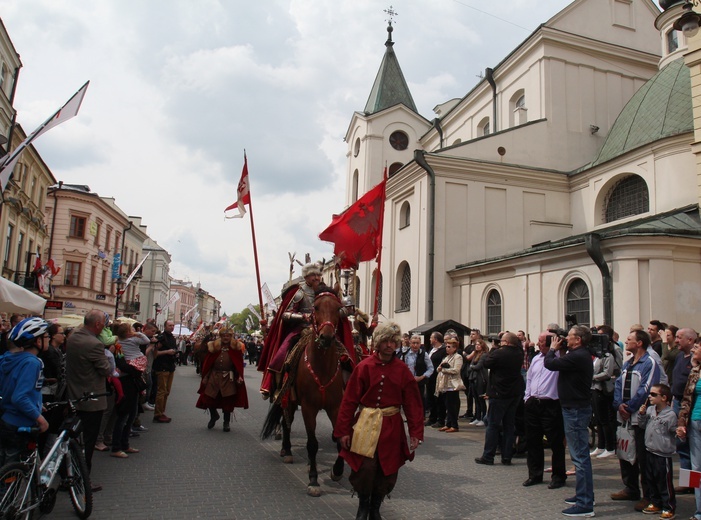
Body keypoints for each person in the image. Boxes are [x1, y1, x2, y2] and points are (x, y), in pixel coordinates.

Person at [334, 322, 423, 520]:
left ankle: (376, 508)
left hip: (391, 427)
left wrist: (416, 432)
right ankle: (363, 506)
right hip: (365, 424)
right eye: (385, 341)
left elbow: (413, 404)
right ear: (378, 342)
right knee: (365, 467)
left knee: (386, 469)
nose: (389, 345)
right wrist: (344, 431)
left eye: (393, 342)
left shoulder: (402, 370)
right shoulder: (363, 367)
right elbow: (349, 400)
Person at [258, 263, 354, 398]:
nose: (316, 277)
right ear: (306, 276)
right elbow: (286, 314)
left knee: (346, 354)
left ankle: (350, 386)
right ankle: (275, 385)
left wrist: (341, 312)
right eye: (313, 275)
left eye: (318, 275)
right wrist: (303, 316)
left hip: (323, 328)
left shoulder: (326, 292)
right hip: (302, 328)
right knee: (283, 352)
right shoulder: (299, 293)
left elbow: (340, 310)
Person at [544, 325, 595, 518]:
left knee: (580, 458)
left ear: (579, 340)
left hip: (575, 410)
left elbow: (550, 364)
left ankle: (585, 504)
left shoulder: (579, 355)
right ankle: (584, 495)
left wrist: (552, 349)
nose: (566, 339)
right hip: (574, 408)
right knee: (580, 456)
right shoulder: (578, 354)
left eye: (570, 336)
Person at [611, 329, 660, 513]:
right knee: (625, 451)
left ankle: (648, 494)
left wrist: (630, 406)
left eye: (630, 339)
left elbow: (647, 388)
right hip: (624, 416)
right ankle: (630, 488)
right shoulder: (627, 364)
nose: (626, 341)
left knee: (642, 456)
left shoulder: (649, 362)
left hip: (639, 417)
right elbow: (618, 384)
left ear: (639, 343)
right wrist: (618, 405)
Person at [65, 310, 113, 478]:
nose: (104, 328)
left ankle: (69, 474)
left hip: (74, 393)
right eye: (103, 325)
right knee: (89, 439)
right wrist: (109, 356)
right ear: (98, 324)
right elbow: (106, 370)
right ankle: (83, 477)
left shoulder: (73, 337)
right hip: (92, 398)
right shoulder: (94, 344)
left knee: (74, 438)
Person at [0, 317, 50, 466]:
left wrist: (36, 403)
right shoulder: (32, 362)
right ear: (38, 341)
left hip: (6, 419)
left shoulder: (9, 358)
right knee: (12, 473)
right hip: (20, 422)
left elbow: (10, 387)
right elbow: (19, 397)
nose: (48, 339)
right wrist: (41, 420)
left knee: (5, 464)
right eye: (46, 336)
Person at [522, 331, 566, 489]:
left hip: (551, 404)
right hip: (533, 403)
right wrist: (527, 398)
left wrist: (557, 348)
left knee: (556, 443)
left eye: (541, 341)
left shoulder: (559, 358)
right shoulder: (536, 359)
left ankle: (559, 476)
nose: (538, 343)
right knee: (533, 441)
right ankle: (535, 474)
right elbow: (530, 378)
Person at [475, 332, 523, 466]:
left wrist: (494, 348)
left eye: (501, 341)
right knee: (509, 426)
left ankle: (488, 456)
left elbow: (486, 363)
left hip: (499, 393)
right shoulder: (519, 353)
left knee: (493, 425)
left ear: (506, 342)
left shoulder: (499, 353)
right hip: (514, 393)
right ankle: (507, 457)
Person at [195, 326, 249, 431]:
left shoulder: (235, 348)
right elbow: (208, 363)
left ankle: (226, 422)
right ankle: (214, 415)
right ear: (220, 336)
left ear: (231, 337)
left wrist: (239, 377)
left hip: (228, 377)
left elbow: (237, 365)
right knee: (209, 398)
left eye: (228, 336)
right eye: (224, 336)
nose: (226, 338)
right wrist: (205, 376)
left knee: (227, 400)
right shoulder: (214, 347)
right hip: (214, 376)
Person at [638, 383, 677, 519]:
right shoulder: (650, 410)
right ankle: (656, 502)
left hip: (663, 453)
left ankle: (669, 506)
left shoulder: (670, 415)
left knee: (663, 481)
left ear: (664, 398)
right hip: (650, 450)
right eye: (650, 393)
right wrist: (641, 414)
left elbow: (674, 432)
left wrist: (679, 432)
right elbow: (642, 425)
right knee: (651, 479)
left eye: (654, 394)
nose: (650, 396)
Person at [676, 338, 701, 520]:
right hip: (693, 421)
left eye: (697, 347)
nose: (694, 350)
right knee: (694, 466)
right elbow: (686, 399)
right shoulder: (694, 370)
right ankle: (698, 509)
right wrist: (681, 423)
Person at [672, 328, 697, 495]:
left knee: (694, 448)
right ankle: (687, 482)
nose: (675, 341)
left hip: (691, 405)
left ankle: (695, 484)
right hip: (678, 403)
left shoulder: (696, 360)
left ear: (690, 340)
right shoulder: (680, 356)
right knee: (682, 444)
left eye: (679, 338)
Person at [435, 336, 464, 433]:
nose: (447, 348)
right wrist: (440, 369)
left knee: (452, 406)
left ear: (454, 348)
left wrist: (444, 370)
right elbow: (439, 368)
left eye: (449, 347)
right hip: (445, 384)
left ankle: (454, 425)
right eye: (446, 346)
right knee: (447, 405)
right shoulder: (446, 357)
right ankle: (448, 424)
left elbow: (456, 370)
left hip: (453, 385)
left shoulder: (458, 357)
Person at [400, 334, 433, 412]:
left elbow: (431, 368)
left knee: (420, 399)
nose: (415, 345)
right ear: (410, 343)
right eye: (413, 343)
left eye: (417, 343)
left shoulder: (424, 354)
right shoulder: (405, 354)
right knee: (408, 400)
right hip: (408, 381)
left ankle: (421, 417)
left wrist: (422, 376)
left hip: (419, 381)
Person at [152, 320, 177, 423]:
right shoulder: (161, 337)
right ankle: (158, 414)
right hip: (162, 366)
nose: (171, 327)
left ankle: (162, 412)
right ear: (165, 326)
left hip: (170, 366)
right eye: (169, 325)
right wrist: (167, 351)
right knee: (161, 391)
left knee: (167, 392)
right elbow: (155, 353)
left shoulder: (172, 337)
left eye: (173, 325)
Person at [425, 331, 447, 428]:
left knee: (438, 399)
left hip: (437, 377)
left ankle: (440, 419)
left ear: (436, 339)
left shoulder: (443, 350)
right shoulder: (432, 349)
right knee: (430, 398)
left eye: (431, 337)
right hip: (430, 378)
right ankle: (432, 418)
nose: (430, 339)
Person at [466, 339, 488, 426]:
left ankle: (483, 417)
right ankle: (477, 417)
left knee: (481, 399)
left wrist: (472, 367)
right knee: (476, 399)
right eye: (476, 345)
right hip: (473, 378)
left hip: (480, 379)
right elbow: (471, 366)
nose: (477, 346)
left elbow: (478, 366)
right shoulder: (475, 355)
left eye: (479, 344)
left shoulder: (484, 355)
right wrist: (472, 367)